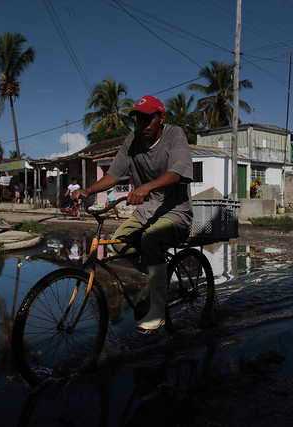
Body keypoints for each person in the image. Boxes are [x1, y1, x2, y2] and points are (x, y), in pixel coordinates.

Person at [72, 95, 193, 333]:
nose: (143, 124)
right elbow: (113, 175)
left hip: (176, 210)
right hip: (149, 210)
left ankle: (158, 311)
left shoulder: (174, 134)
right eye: (139, 119)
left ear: (161, 118)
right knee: (118, 242)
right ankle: (156, 275)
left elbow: (178, 173)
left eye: (149, 119)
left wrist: (146, 187)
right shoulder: (132, 140)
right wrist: (87, 190)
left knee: (150, 239)